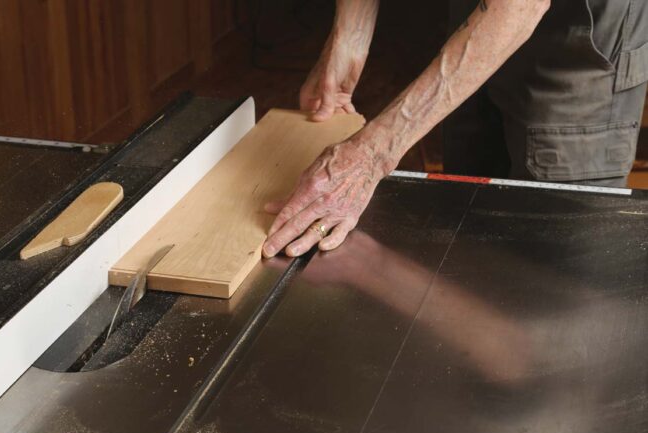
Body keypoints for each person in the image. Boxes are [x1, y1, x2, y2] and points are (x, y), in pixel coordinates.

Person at [262, 0, 648, 259]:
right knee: (467, 222)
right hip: (481, 11)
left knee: (555, 261)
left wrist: (372, 153)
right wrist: (350, 34)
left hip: (580, 34)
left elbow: (519, 6)